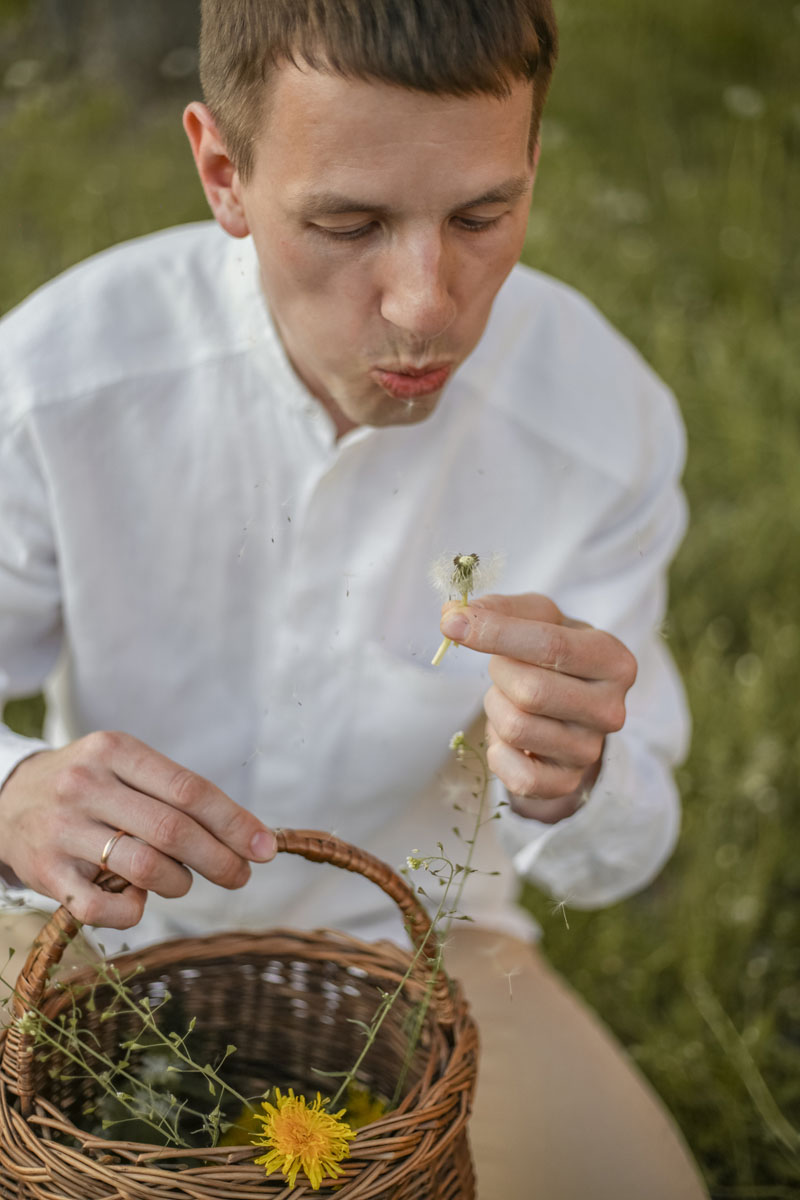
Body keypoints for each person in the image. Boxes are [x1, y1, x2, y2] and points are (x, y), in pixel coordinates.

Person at [0, 1, 708, 1195]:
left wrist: (572, 777)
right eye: (346, 221)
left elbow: (617, 855)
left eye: (482, 215)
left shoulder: (600, 422)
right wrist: (14, 794)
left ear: (532, 160)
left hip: (434, 944)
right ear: (224, 174)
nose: (426, 305)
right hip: (87, 923)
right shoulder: (62, 384)